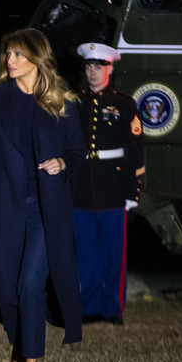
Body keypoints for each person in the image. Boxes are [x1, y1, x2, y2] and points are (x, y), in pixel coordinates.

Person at [0, 28, 85, 362]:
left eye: (17, 54)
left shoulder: (62, 100)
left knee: (30, 285)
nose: (10, 61)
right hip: (1, 208)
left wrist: (62, 163)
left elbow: (78, 152)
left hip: (45, 211)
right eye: (7, 54)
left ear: (37, 57)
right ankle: (21, 348)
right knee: (5, 291)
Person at [72, 42, 145, 325]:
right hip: (80, 188)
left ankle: (112, 309)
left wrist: (133, 193)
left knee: (113, 253)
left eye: (98, 66)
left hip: (114, 189)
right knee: (86, 253)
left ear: (110, 68)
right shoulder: (73, 102)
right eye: (89, 66)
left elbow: (136, 151)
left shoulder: (124, 104)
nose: (92, 72)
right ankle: (89, 308)